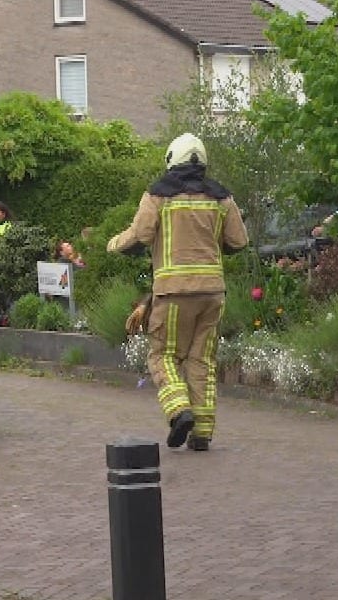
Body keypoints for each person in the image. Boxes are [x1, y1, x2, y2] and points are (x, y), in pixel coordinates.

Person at [107, 133, 248, 451]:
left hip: (173, 293)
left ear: (171, 160)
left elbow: (141, 235)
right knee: (202, 361)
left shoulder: (158, 194)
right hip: (212, 294)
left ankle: (179, 411)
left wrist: (114, 244)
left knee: (162, 355)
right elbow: (238, 241)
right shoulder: (221, 197)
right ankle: (202, 433)